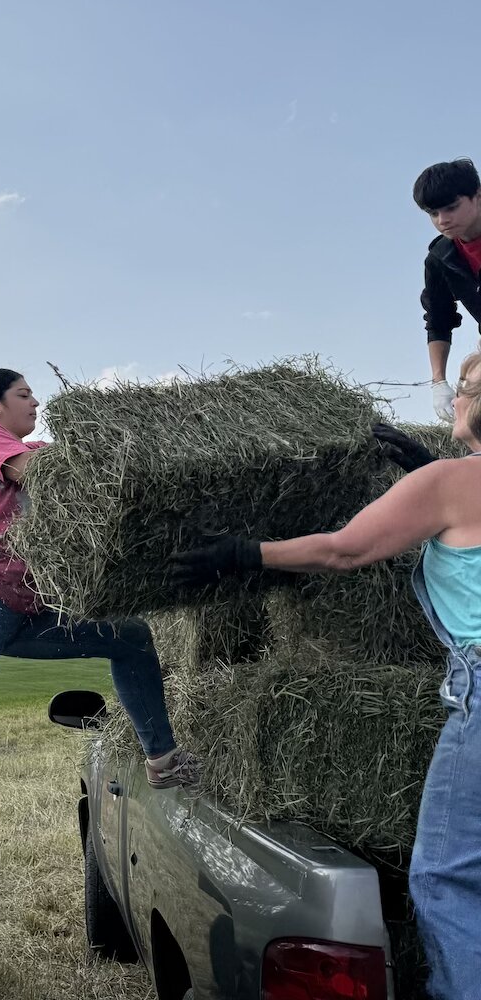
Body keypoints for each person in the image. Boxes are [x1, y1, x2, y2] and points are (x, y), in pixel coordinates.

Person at [170, 363, 481, 999]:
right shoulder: (449, 480)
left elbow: (345, 550)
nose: (449, 399)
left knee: (450, 878)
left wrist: (245, 552)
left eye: (460, 388)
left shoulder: (454, 481)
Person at [0, 368, 196, 788]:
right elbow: (48, 474)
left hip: (26, 610)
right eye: (24, 394)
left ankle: (163, 761)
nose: (35, 403)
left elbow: (76, 459)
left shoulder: (28, 445)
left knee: (130, 636)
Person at [416, 158, 481, 421]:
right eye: (433, 213)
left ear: (477, 196)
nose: (442, 220)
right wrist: (438, 382)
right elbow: (439, 319)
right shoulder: (439, 259)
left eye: (451, 207)